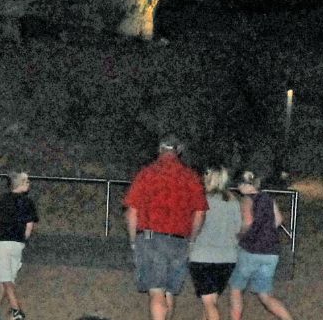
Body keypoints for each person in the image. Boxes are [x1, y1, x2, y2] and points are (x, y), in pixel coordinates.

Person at [123, 135, 208, 320]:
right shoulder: (190, 176)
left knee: (156, 290)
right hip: (179, 240)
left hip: (151, 238)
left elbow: (131, 212)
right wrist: (192, 239)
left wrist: (133, 240)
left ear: (160, 149)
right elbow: (200, 213)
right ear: (179, 150)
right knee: (169, 291)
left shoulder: (147, 173)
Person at [228, 172, 292, 320]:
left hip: (251, 250)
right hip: (270, 252)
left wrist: (238, 235)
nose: (238, 187)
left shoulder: (247, 199)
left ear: (245, 185)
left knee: (236, 289)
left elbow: (247, 222)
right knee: (265, 296)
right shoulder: (268, 198)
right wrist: (266, 232)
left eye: (239, 184)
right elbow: (278, 220)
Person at [187, 167, 240, 320]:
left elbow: (194, 224)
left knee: (209, 303)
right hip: (228, 258)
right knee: (211, 301)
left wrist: (190, 242)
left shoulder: (201, 200)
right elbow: (238, 228)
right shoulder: (233, 201)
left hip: (202, 256)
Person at [0, 171, 37, 320]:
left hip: (2, 243)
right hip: (16, 244)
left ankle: (10, 310)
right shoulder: (28, 203)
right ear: (20, 184)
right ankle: (9, 309)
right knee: (7, 278)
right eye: (26, 181)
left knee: (5, 279)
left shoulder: (2, 199)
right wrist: (22, 239)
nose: (29, 183)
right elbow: (29, 225)